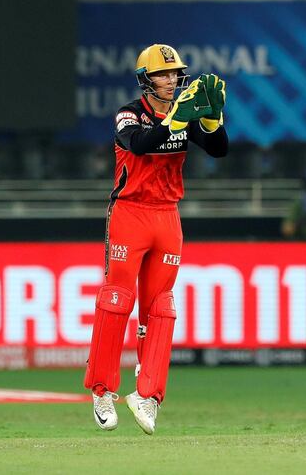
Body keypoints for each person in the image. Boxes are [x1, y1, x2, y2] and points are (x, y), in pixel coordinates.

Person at [84, 44, 228, 434]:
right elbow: (140, 144)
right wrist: (176, 119)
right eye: (163, 74)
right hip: (130, 214)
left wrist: (212, 122)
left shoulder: (185, 111)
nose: (171, 80)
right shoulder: (128, 113)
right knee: (117, 300)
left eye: (175, 74)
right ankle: (101, 389)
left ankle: (147, 395)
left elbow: (219, 150)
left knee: (160, 308)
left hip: (167, 217)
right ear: (146, 80)